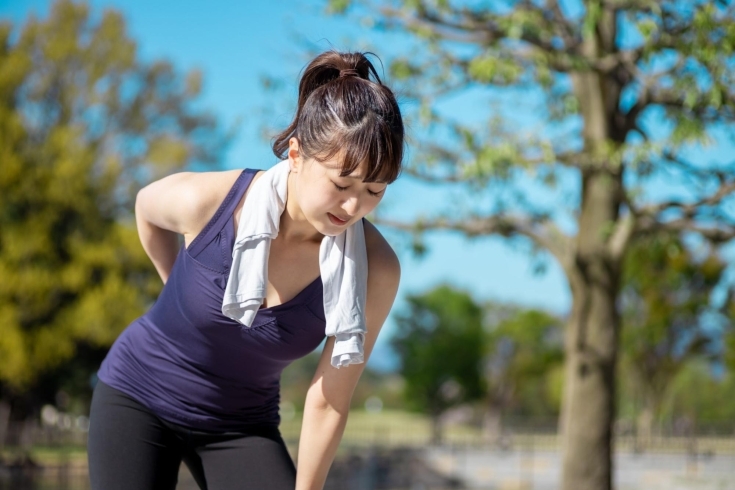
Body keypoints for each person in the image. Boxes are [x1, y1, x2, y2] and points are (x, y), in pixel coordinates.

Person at [87, 50, 404, 490]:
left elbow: (328, 401)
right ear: (296, 154)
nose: (354, 207)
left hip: (240, 424)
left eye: (374, 190)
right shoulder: (212, 202)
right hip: (139, 395)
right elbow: (146, 206)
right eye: (341, 184)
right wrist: (175, 281)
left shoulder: (376, 269)